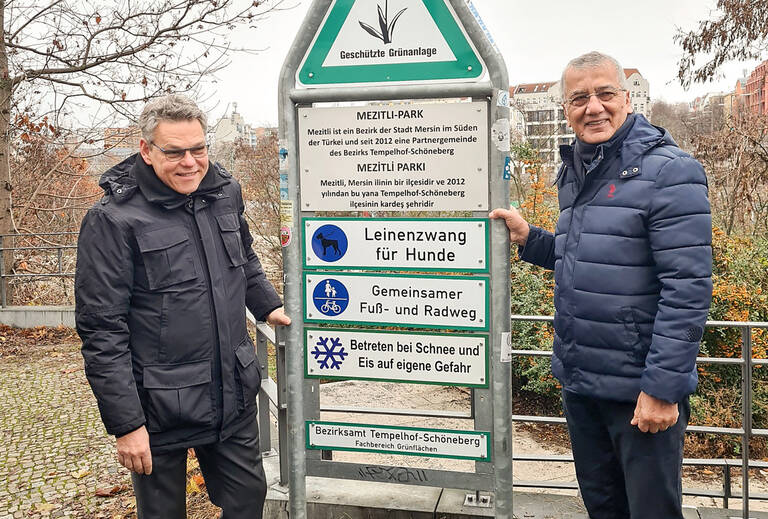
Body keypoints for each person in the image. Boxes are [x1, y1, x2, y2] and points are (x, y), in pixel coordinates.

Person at [491, 51, 712, 518]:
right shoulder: (577, 170)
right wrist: (531, 239)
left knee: (651, 511)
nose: (593, 107)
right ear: (565, 109)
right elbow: (589, 258)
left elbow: (688, 289)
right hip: (582, 383)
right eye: (579, 98)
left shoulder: (670, 171)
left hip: (639, 391)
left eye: (605, 94)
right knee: (603, 508)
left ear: (626, 99)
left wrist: (663, 388)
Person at [75, 94, 291, 519]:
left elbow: (244, 258)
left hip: (232, 390)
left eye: (199, 149)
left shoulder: (225, 191)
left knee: (249, 500)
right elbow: (102, 330)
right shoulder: (114, 219)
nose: (190, 162)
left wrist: (269, 306)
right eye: (174, 152)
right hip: (159, 407)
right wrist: (127, 425)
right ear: (147, 150)